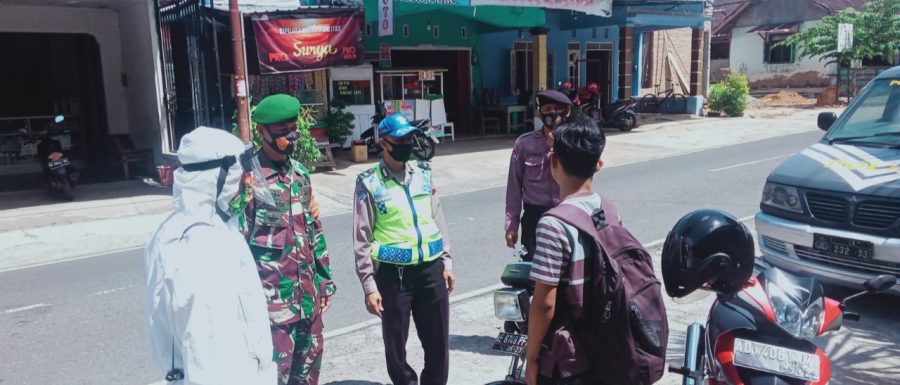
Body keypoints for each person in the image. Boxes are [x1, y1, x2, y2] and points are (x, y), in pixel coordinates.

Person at [144, 126, 276, 385]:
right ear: (218, 178)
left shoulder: (190, 228)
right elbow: (209, 353)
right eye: (240, 179)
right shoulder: (202, 245)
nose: (246, 187)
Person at [235, 94, 335, 385]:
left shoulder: (300, 174)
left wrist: (325, 280)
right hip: (271, 308)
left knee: (307, 376)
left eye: (294, 129)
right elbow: (235, 247)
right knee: (272, 378)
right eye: (282, 132)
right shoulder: (248, 179)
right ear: (262, 132)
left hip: (308, 301)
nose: (291, 137)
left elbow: (314, 231)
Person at [353, 113, 456, 385]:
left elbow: (438, 217)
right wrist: (369, 286)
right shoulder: (369, 181)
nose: (407, 144)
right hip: (393, 276)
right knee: (396, 346)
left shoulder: (423, 172)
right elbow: (361, 237)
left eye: (410, 138)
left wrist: (446, 262)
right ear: (384, 143)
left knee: (438, 343)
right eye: (400, 140)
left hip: (431, 270)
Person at [523, 115, 611, 385]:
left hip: (568, 359)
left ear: (553, 162)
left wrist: (532, 357)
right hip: (603, 342)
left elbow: (544, 304)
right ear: (599, 163)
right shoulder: (608, 209)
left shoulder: (552, 224)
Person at [505, 89, 573, 259]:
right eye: (547, 109)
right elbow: (514, 186)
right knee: (533, 275)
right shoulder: (524, 144)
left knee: (569, 274)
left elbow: (582, 176)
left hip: (567, 216)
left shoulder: (575, 141)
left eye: (558, 109)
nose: (553, 114)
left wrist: (557, 147)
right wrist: (511, 224)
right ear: (539, 113)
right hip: (534, 219)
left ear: (567, 112)